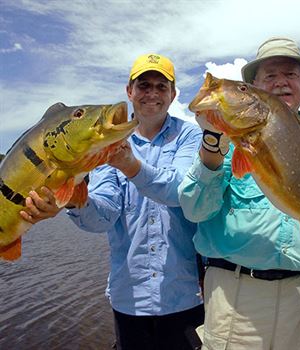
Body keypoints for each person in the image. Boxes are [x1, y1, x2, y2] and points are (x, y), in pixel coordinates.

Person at [21, 53, 204, 350]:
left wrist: (131, 166)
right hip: (129, 299)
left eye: (161, 86)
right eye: (144, 85)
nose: (152, 94)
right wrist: (71, 201)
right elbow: (103, 215)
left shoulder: (190, 136)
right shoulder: (104, 142)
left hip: (184, 297)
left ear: (173, 94)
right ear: (129, 91)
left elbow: (182, 192)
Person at [178, 37, 300, 350]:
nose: (281, 82)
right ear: (255, 86)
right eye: (269, 76)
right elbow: (194, 211)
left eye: (290, 75)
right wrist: (212, 150)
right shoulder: (221, 139)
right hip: (236, 300)